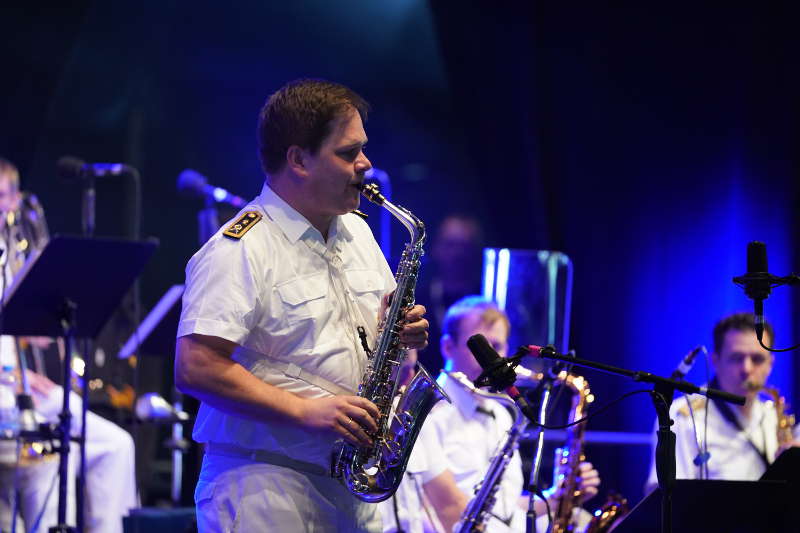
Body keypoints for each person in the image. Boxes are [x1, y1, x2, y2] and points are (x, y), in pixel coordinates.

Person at [175, 79, 430, 532]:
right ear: (298, 159)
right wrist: (307, 411)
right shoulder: (241, 247)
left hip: (349, 487)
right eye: (348, 153)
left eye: (363, 150)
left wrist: (403, 330)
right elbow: (196, 367)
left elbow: (374, 344)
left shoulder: (357, 232)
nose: (366, 165)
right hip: (266, 487)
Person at [0, 157, 137, 533]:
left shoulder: (8, 252)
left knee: (115, 445)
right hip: (7, 389)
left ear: (14, 200)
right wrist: (14, 376)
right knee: (56, 454)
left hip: (19, 386)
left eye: (2, 196)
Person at [382, 296, 600, 533]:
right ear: (447, 347)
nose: (493, 358)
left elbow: (505, 509)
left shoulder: (502, 411)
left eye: (499, 347)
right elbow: (442, 513)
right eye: (483, 347)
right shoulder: (427, 412)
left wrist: (559, 497)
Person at [645, 312, 800, 491]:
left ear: (770, 364)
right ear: (715, 361)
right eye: (736, 358)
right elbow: (663, 498)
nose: (747, 369)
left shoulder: (772, 415)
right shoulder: (682, 416)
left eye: (757, 359)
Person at [415, 214, 485, 374]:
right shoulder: (418, 297)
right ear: (436, 248)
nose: (457, 254)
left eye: (465, 246)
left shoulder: (487, 298)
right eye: (450, 244)